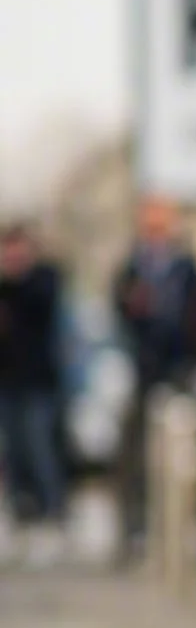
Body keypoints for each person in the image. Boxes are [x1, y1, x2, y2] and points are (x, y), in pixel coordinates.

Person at [112, 192, 196, 550]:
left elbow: (194, 315)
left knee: (180, 454)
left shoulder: (184, 266)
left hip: (177, 369)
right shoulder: (133, 266)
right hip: (142, 368)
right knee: (137, 453)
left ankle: (178, 532)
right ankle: (136, 529)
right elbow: (121, 306)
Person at [0, 222, 67, 559]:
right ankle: (21, 516)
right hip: (7, 382)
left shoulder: (43, 279)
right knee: (13, 454)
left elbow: (40, 309)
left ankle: (51, 515)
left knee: (41, 451)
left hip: (38, 384)